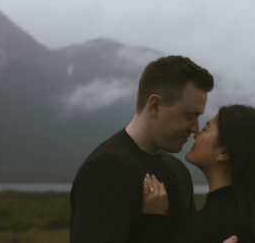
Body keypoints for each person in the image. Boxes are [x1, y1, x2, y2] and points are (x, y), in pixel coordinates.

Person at [70, 55, 238, 243]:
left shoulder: (178, 172)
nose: (195, 128)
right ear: (155, 106)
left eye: (198, 117)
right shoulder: (105, 171)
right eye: (190, 115)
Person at [144, 104, 255, 243]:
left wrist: (154, 218)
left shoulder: (206, 226)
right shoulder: (250, 218)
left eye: (204, 129)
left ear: (223, 153)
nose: (195, 133)